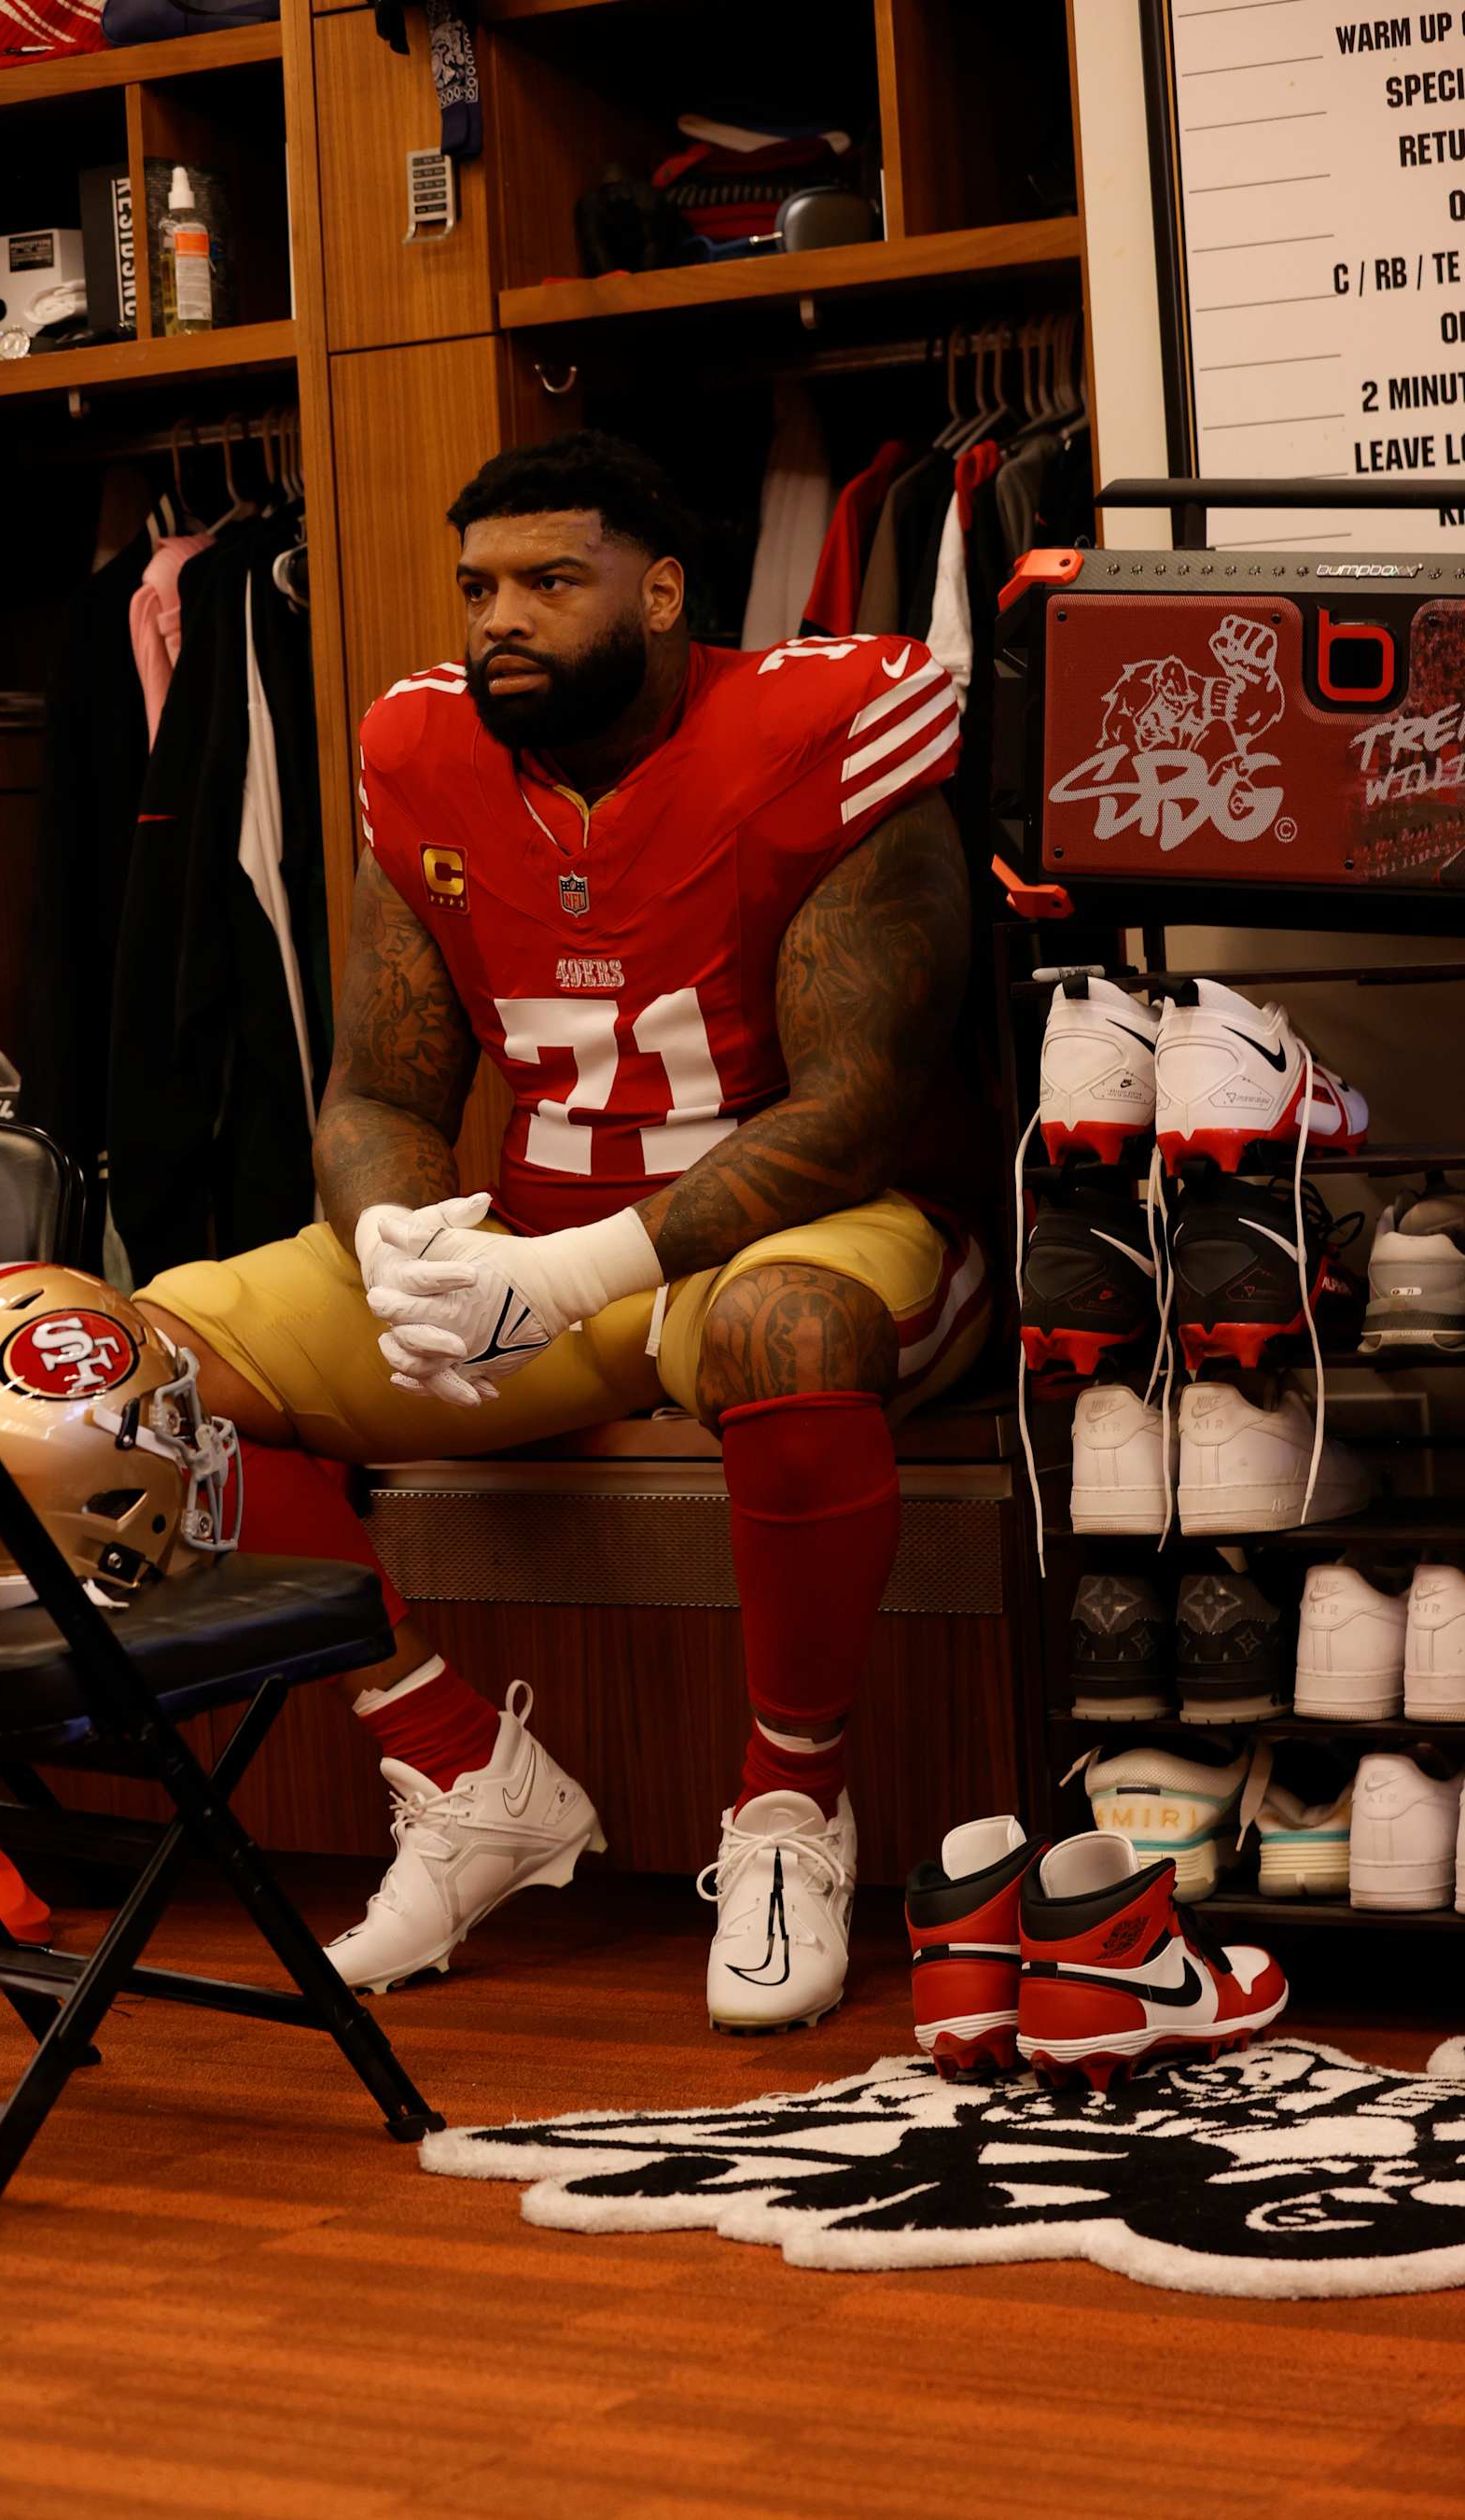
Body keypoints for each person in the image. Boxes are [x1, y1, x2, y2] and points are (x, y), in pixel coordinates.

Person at [139, 430, 991, 2032]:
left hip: (794, 1240)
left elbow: (856, 1105)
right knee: (125, 1364)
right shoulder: (421, 753)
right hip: (535, 1246)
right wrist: (403, 1247)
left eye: (548, 582)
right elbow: (381, 1085)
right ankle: (458, 1767)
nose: (497, 623)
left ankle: (790, 1807)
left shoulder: (822, 728)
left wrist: (571, 1271)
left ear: (663, 592)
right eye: (478, 589)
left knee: (783, 1331)